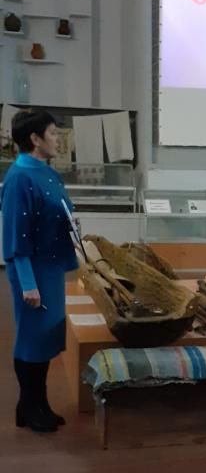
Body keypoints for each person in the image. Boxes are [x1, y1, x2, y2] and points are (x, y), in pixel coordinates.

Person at [1, 109, 78, 433]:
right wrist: (27, 284)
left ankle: (36, 405)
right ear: (35, 139)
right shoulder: (19, 178)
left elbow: (57, 211)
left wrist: (70, 224)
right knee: (31, 341)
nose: (58, 139)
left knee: (45, 339)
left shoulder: (47, 172)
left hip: (50, 269)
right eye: (53, 133)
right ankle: (30, 406)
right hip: (32, 272)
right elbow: (16, 238)